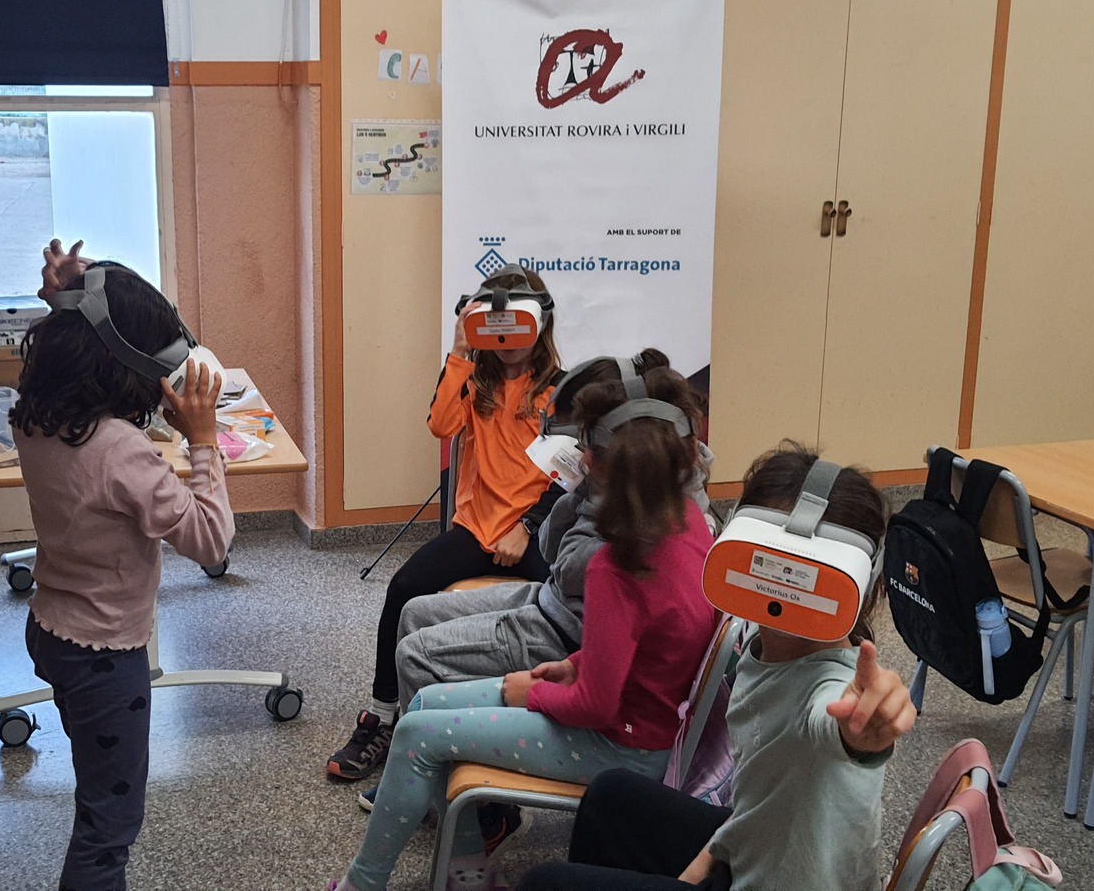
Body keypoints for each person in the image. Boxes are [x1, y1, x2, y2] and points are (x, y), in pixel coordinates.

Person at [327, 366, 719, 891]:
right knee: (420, 705)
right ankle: (468, 871)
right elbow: (637, 650)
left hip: (622, 749)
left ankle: (365, 883)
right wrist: (572, 666)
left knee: (419, 734)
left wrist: (530, 693)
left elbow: (596, 707)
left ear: (598, 468)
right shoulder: (688, 521)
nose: (579, 456)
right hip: (640, 726)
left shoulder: (615, 567)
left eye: (586, 450)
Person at [515, 443, 914, 891]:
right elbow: (758, 802)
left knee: (544, 884)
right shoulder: (765, 645)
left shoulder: (836, 690)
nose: (783, 587)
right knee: (611, 797)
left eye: (806, 573)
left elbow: (834, 724)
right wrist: (704, 862)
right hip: (760, 849)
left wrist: (865, 734)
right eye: (770, 561)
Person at [12, 240, 233, 891]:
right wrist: (203, 441)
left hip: (53, 631)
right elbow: (212, 541)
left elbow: (76, 335)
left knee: (96, 793)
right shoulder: (120, 450)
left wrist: (61, 298)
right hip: (106, 657)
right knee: (108, 828)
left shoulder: (37, 413)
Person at [385, 350, 716, 752]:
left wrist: (589, 493)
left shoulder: (649, 513)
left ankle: (440, 762)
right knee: (414, 612)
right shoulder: (631, 486)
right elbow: (551, 548)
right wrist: (578, 489)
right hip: (553, 603)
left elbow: (568, 567)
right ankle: (414, 737)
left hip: (565, 632)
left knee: (415, 655)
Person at [328, 267, 566, 782]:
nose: (507, 341)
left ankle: (551, 716)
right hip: (476, 528)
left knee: (567, 607)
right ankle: (383, 715)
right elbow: (441, 424)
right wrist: (460, 350)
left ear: (540, 323)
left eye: (517, 326)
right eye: (494, 327)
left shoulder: (559, 391)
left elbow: (567, 476)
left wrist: (528, 525)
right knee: (403, 590)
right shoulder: (474, 381)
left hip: (531, 531)